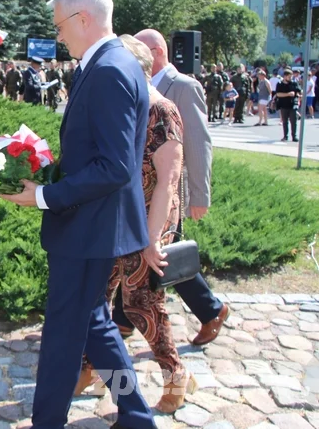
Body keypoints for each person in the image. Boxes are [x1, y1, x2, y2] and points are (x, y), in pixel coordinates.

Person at [2, 0, 156, 429]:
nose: (58, 36)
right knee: (96, 327)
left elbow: (115, 166)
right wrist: (50, 168)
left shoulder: (108, 69)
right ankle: (136, 413)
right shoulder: (109, 63)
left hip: (90, 227)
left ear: (82, 19)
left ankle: (47, 421)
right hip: (94, 224)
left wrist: (45, 195)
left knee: (63, 335)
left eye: (60, 26)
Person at [76, 36, 197, 413]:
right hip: (116, 221)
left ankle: (176, 374)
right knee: (97, 304)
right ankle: (92, 370)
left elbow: (168, 180)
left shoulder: (162, 110)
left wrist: (151, 239)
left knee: (143, 304)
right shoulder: (124, 107)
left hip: (147, 225)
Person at [131, 29, 229, 346]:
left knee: (159, 254)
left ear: (158, 51)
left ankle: (119, 326)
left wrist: (200, 195)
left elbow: (199, 144)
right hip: (142, 189)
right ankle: (209, 310)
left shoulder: (184, 87)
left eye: (140, 50)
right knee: (157, 255)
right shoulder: (142, 86)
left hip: (167, 190)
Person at [275, 68, 301, 142]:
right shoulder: (280, 84)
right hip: (283, 105)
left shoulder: (294, 83)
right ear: (285, 76)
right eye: (289, 77)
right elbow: (278, 94)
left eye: (291, 76)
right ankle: (285, 136)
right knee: (285, 121)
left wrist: (298, 95)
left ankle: (294, 136)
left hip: (293, 105)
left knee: (293, 121)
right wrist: (288, 94)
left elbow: (298, 91)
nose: (290, 78)